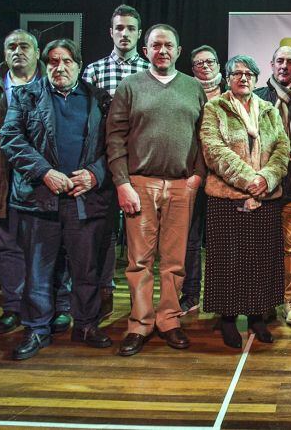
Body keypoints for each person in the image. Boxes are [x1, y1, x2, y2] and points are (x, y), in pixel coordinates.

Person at [0, 39, 115, 359]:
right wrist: (44, 172)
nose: (59, 67)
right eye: (52, 61)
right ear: (45, 64)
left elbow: (115, 147)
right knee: (38, 268)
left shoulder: (98, 98)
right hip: (40, 197)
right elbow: (10, 140)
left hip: (83, 196)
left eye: (66, 61)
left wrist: (94, 174)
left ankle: (87, 324)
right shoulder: (26, 96)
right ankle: (37, 329)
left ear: (79, 65)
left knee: (86, 267)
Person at [107, 24, 206, 356]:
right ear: (146, 50)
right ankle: (140, 324)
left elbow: (205, 136)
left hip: (182, 185)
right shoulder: (130, 86)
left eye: (169, 46)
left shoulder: (193, 88)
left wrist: (196, 177)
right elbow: (115, 138)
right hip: (140, 184)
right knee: (139, 261)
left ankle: (169, 320)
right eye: (156, 45)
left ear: (178, 51)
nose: (162, 50)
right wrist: (122, 183)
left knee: (175, 261)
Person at [0, 30, 71, 335]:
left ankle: (59, 306)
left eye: (24, 46)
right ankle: (14, 307)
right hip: (1, 177)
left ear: (36, 53)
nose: (17, 51)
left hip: (43, 178)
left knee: (50, 247)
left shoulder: (54, 85)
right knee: (8, 245)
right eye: (11, 47)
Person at [200, 54, 290, 348]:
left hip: (265, 195)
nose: (243, 78)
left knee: (260, 259)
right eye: (236, 73)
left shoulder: (269, 110)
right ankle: (227, 318)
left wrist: (265, 179)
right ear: (227, 78)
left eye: (249, 73)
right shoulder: (215, 107)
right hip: (226, 197)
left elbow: (281, 147)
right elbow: (213, 149)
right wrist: (247, 180)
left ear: (255, 77)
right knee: (228, 259)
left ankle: (257, 316)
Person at [82, 4, 150, 322]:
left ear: (139, 33)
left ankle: (141, 301)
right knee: (104, 232)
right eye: (119, 28)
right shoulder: (93, 71)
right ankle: (104, 291)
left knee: (142, 235)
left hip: (140, 164)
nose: (125, 33)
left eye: (131, 28)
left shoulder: (150, 71)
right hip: (103, 163)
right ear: (111, 32)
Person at [255, 46, 291, 326]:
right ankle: (266, 300)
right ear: (271, 63)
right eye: (280, 60)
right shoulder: (257, 97)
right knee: (265, 246)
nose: (285, 66)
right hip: (264, 184)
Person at [179, 44, 225, 316]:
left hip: (223, 178)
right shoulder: (185, 91)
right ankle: (190, 295)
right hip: (192, 175)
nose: (205, 66)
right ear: (192, 67)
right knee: (190, 239)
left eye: (210, 61)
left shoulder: (231, 92)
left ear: (219, 65)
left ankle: (220, 297)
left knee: (220, 240)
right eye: (198, 63)